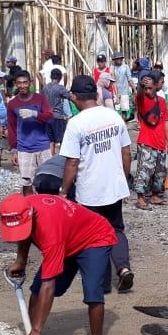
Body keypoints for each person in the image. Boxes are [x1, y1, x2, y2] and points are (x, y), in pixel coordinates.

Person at [0, 193, 117, 335]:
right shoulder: (23, 207)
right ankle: (31, 328)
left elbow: (49, 286)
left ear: (32, 215)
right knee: (37, 287)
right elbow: (25, 235)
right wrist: (21, 262)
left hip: (95, 237)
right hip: (67, 238)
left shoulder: (49, 231)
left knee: (92, 291)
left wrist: (37, 331)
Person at [60, 75, 134, 293]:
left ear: (74, 97)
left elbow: (72, 162)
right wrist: (124, 178)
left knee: (94, 235)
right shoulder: (113, 116)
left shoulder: (75, 124)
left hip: (90, 190)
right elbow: (126, 151)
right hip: (114, 186)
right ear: (96, 94)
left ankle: (102, 283)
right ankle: (123, 268)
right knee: (116, 229)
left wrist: (64, 191)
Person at [7, 70, 54, 194]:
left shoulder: (40, 99)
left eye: (25, 82)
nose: (22, 86)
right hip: (24, 148)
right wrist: (13, 150)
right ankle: (30, 209)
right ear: (16, 84)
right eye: (19, 83)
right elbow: (11, 128)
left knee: (47, 181)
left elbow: (49, 116)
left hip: (43, 146)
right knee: (26, 182)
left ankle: (45, 209)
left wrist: (35, 114)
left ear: (30, 83)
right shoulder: (12, 104)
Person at [134, 71, 168, 209]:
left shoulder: (161, 101)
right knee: (144, 170)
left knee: (160, 172)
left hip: (160, 142)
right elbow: (138, 96)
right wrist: (140, 86)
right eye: (146, 88)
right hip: (147, 142)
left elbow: (165, 121)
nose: (147, 90)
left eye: (150, 87)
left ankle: (156, 196)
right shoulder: (142, 99)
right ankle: (140, 198)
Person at [41, 68, 71, 150]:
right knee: (62, 140)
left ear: (50, 77)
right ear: (60, 77)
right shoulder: (60, 88)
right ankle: (62, 160)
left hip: (47, 117)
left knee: (51, 141)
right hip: (58, 117)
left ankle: (51, 159)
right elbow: (69, 97)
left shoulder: (45, 88)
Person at [112, 51, 135, 121]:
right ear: (114, 60)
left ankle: (124, 125)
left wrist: (135, 89)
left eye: (120, 58)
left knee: (124, 110)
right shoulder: (112, 68)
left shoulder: (126, 67)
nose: (119, 60)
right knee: (115, 110)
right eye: (117, 58)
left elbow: (129, 79)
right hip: (115, 92)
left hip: (124, 91)